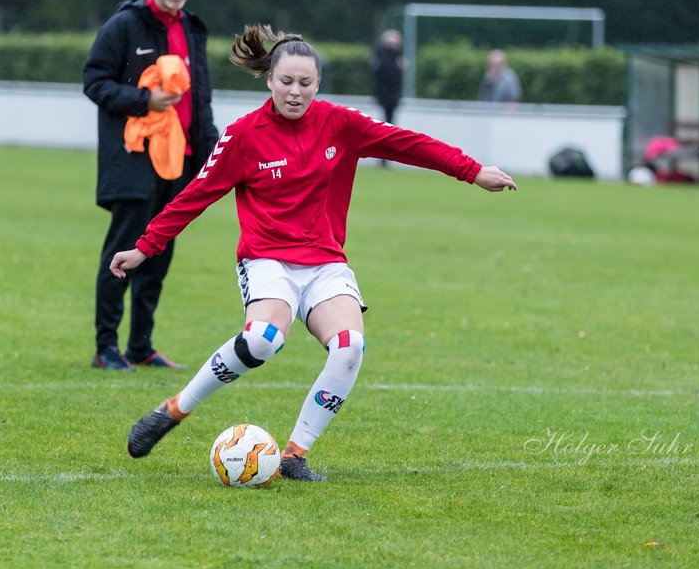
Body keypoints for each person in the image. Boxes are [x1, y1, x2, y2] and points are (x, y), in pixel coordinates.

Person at [111, 25, 517, 481]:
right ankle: (174, 410)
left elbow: (411, 144)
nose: (295, 92)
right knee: (264, 339)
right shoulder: (244, 135)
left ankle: (294, 455)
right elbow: (196, 194)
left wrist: (473, 170)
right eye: (286, 82)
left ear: (318, 84)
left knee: (350, 346)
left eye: (305, 83)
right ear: (269, 80)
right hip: (266, 260)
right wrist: (145, 247)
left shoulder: (341, 124)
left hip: (324, 263)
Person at [83, 0, 219, 370]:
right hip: (136, 156)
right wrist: (145, 99)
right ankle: (106, 347)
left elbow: (201, 98)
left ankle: (140, 347)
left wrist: (212, 151)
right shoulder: (125, 24)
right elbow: (94, 80)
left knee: (158, 253)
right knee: (123, 249)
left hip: (181, 159)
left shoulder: (194, 29)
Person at [370, 29, 403, 125]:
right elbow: (387, 73)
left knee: (389, 116)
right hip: (386, 91)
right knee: (388, 116)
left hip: (391, 91)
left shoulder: (392, 55)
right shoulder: (384, 56)